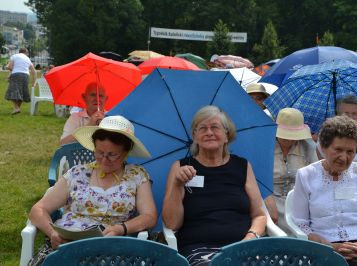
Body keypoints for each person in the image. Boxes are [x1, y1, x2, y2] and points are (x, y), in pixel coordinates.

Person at [29, 115, 157, 265]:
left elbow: (149, 217)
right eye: (99, 152)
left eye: (112, 155)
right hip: (68, 245)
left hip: (113, 250)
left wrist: (121, 229)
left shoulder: (137, 175)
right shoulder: (77, 173)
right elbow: (38, 209)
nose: (104, 159)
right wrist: (52, 233)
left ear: (126, 152)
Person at [162, 105, 267, 265]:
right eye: (202, 128)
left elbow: (259, 215)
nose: (209, 132)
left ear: (227, 135)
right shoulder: (181, 167)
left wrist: (250, 238)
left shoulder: (242, 166)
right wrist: (177, 184)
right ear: (195, 136)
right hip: (199, 249)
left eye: (215, 127)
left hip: (243, 245)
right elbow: (171, 223)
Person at [292, 115, 357, 266]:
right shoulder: (306, 175)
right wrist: (330, 248)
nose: (344, 157)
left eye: (350, 151)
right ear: (324, 147)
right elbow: (301, 224)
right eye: (338, 149)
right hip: (325, 249)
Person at [265, 108, 318, 233]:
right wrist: (268, 200)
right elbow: (258, 179)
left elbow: (315, 178)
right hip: (270, 199)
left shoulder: (308, 147)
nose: (288, 139)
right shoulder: (265, 146)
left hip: (300, 201)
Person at [5, 47, 37, 115]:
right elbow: (34, 72)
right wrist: (34, 82)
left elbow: (10, 67)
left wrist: (12, 69)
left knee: (12, 91)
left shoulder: (14, 56)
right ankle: (17, 109)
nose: (28, 54)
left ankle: (16, 108)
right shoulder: (28, 59)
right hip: (26, 76)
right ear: (25, 52)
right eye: (27, 53)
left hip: (16, 75)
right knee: (22, 92)